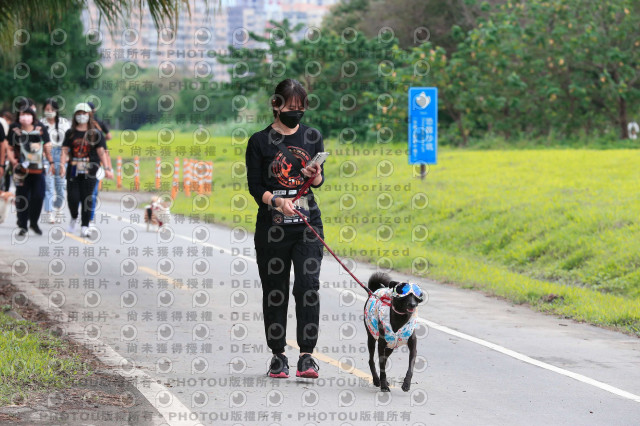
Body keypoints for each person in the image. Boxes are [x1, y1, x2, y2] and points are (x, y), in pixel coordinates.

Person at [245, 78, 326, 379]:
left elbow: (318, 182)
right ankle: (278, 355)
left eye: (301, 108)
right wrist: (278, 202)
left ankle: (307, 356)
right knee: (275, 290)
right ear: (276, 105)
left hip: (307, 224)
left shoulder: (312, 136)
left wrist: (314, 174)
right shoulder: (259, 141)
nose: (297, 113)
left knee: (308, 287)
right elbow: (255, 187)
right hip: (273, 227)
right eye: (292, 108)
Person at [60, 103, 113, 237]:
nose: (82, 116)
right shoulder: (70, 133)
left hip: (91, 168)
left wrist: (107, 168)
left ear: (89, 115)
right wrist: (61, 165)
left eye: (84, 113)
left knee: (87, 198)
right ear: (75, 116)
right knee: (73, 197)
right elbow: (64, 150)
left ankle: (85, 226)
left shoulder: (96, 133)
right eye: (79, 113)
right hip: (73, 168)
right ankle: (73, 217)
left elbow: (102, 152)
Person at [5, 107, 53, 236]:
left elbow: (47, 145)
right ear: (18, 116)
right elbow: (8, 147)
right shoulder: (14, 129)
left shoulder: (41, 129)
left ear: (33, 116)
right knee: (22, 197)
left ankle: (34, 222)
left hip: (37, 169)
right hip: (21, 170)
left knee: (38, 196)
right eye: (22, 114)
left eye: (28, 114)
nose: (25, 117)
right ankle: (22, 225)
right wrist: (12, 160)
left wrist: (51, 161)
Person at [41, 99, 70, 224]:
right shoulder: (41, 123)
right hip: (46, 153)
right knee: (48, 184)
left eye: (52, 110)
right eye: (47, 110)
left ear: (56, 110)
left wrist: (65, 158)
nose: (49, 112)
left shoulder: (63, 123)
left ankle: (58, 209)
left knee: (60, 184)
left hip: (61, 153)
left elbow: (67, 142)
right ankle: (48, 212)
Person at [86, 102, 112, 225]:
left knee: (93, 192)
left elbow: (104, 150)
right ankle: (84, 217)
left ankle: (89, 219)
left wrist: (100, 142)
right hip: (81, 164)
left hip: (95, 163)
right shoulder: (77, 128)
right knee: (85, 193)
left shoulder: (98, 127)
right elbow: (110, 136)